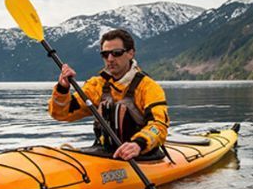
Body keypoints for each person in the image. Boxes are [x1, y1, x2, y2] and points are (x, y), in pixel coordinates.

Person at [49, 29, 169, 161]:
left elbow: (159, 125)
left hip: (141, 155)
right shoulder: (96, 85)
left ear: (130, 53)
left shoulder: (149, 87)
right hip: (103, 153)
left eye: (116, 53)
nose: (110, 59)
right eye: (105, 54)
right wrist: (63, 88)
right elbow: (61, 114)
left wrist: (138, 144)